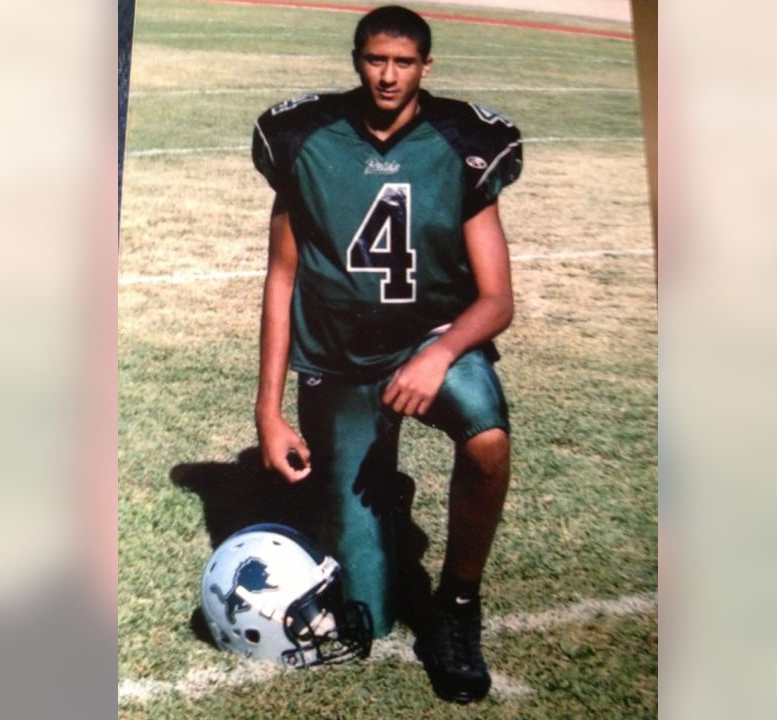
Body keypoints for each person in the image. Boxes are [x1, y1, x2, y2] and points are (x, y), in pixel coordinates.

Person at [250, 5, 521, 704]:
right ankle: (380, 508)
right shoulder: (306, 136)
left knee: (488, 441)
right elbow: (282, 280)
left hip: (430, 342)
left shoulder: (460, 141)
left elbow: (496, 300)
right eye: (376, 60)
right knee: (364, 619)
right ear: (356, 59)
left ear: (426, 67)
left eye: (403, 62)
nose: (388, 75)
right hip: (338, 361)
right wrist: (268, 412)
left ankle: (459, 609)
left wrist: (439, 355)